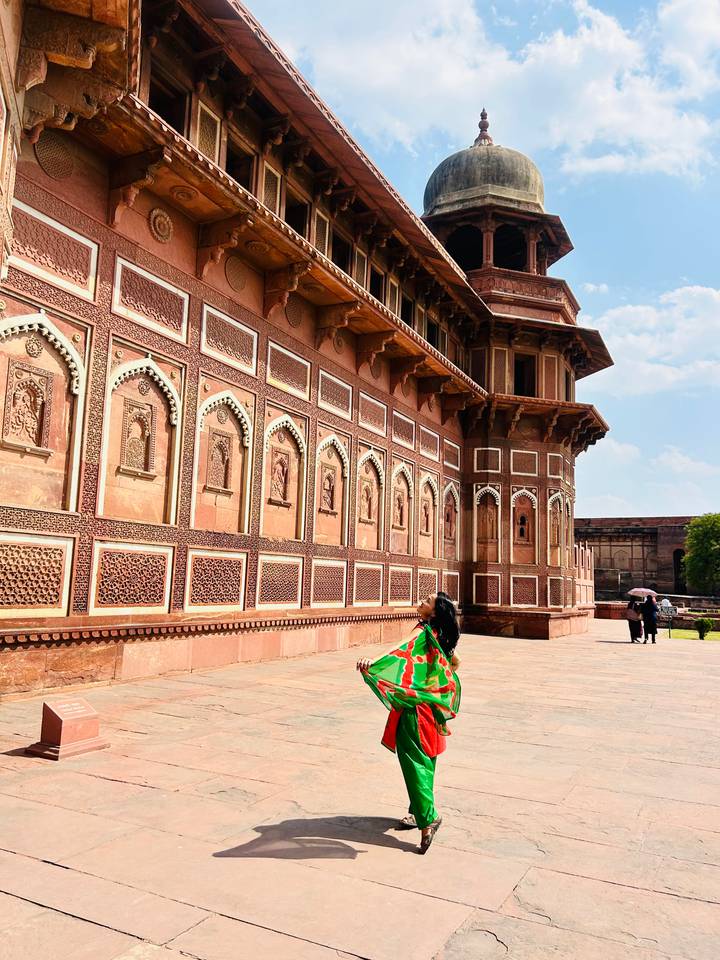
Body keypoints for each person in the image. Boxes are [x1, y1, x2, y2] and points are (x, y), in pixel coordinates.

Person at [356, 591, 461, 854]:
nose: (422, 601)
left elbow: (400, 648)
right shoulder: (442, 637)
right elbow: (456, 663)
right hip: (432, 709)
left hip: (415, 709)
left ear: (433, 613)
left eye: (427, 601)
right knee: (426, 761)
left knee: (414, 760)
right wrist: (432, 685)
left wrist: (374, 662)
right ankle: (417, 812)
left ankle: (429, 819)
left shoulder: (424, 630)